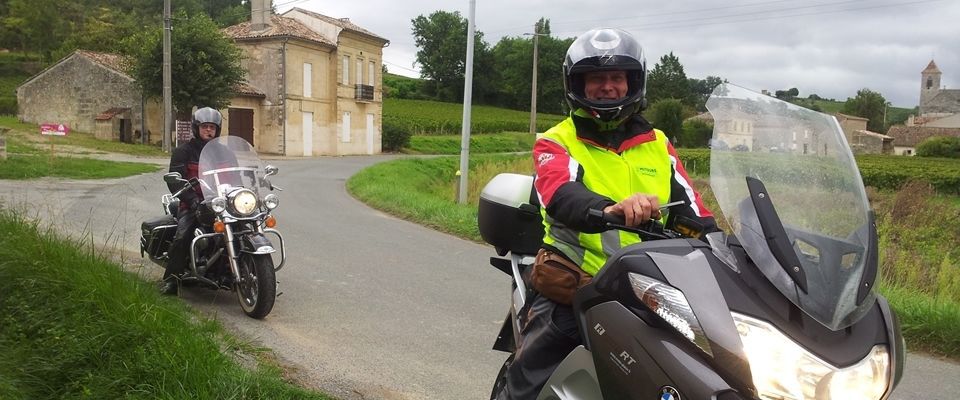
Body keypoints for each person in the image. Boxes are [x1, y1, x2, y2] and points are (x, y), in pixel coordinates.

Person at [495, 28, 718, 399]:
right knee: (528, 383)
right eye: (595, 78)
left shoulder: (658, 144)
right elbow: (560, 193)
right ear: (577, 85)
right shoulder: (557, 141)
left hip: (651, 289)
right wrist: (606, 208)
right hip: (578, 286)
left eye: (617, 77)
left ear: (634, 82)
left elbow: (692, 209)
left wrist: (728, 245)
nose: (608, 87)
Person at [159, 107, 222, 295]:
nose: (209, 131)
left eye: (212, 127)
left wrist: (252, 182)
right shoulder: (183, 151)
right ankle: (171, 280)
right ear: (196, 128)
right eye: (205, 127)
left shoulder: (223, 152)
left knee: (247, 224)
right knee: (182, 235)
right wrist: (193, 200)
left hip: (221, 203)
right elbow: (176, 182)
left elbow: (237, 173)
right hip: (194, 204)